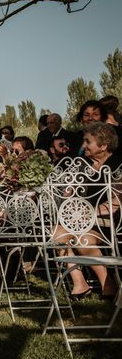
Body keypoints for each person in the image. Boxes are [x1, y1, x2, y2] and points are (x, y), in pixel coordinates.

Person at [53, 122, 120, 300]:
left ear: (103, 145)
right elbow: (67, 194)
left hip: (111, 221)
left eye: (87, 142)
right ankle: (79, 282)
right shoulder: (82, 164)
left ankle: (109, 283)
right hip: (83, 222)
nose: (83, 146)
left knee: (82, 240)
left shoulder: (118, 165)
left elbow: (118, 201)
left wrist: (90, 213)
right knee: (57, 234)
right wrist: (68, 189)